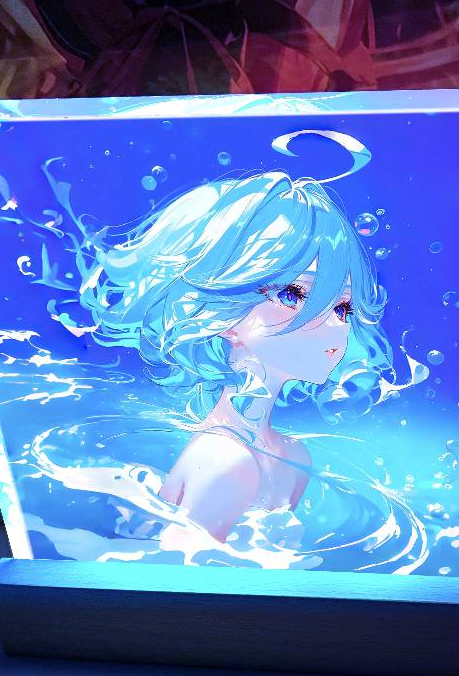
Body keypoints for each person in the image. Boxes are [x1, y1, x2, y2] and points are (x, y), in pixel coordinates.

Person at [80, 169, 392, 542]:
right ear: (224, 314)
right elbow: (184, 575)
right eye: (293, 295)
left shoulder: (293, 456)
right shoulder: (227, 461)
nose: (334, 327)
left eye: (342, 308)